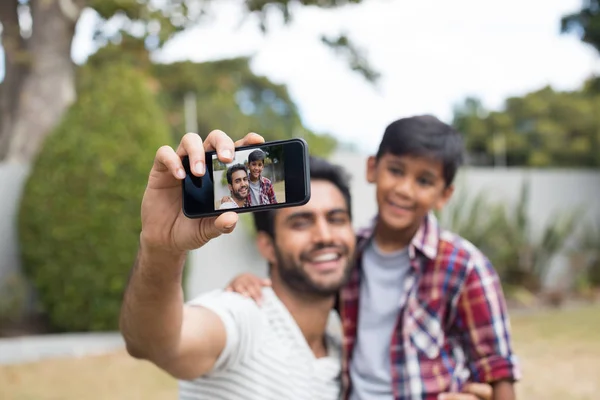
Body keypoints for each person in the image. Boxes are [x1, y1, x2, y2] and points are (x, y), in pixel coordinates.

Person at [227, 115, 520, 400]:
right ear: (372, 169)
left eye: (425, 180)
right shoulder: (349, 253)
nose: (404, 189)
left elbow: (496, 366)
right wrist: (248, 282)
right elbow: (302, 290)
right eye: (396, 171)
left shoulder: (464, 266)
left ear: (444, 195)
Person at [119, 130, 357, 400]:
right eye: (301, 223)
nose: (325, 236)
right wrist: (161, 249)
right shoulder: (244, 315)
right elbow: (157, 344)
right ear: (267, 245)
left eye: (336, 219)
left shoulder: (346, 356)